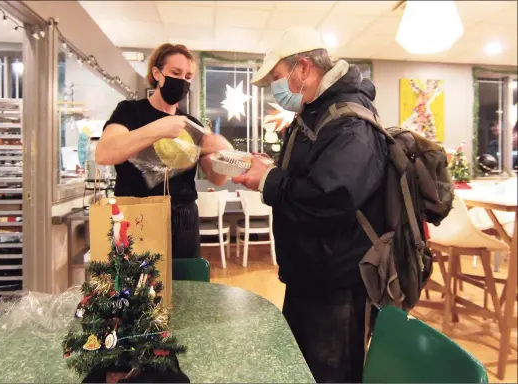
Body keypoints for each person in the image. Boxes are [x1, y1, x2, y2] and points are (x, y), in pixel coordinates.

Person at [232, 26, 387, 383]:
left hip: (335, 285)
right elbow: (310, 177)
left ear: (303, 68)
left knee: (326, 374)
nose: (276, 87)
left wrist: (268, 180)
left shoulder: (349, 121)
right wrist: (269, 169)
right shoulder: (315, 114)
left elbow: (332, 197)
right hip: (309, 275)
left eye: (277, 77)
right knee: (300, 370)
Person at [96, 43, 229, 259]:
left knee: (186, 288)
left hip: (184, 219)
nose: (182, 81)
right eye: (175, 73)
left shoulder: (192, 125)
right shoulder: (129, 112)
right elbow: (104, 153)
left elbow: (217, 178)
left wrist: (224, 155)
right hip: (136, 216)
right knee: (137, 288)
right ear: (157, 73)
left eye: (188, 76)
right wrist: (159, 128)